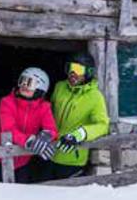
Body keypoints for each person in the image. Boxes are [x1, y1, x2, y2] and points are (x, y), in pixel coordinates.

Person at [41, 53, 110, 181]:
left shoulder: (95, 96)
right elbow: (47, 113)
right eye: (71, 68)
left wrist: (80, 134)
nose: (73, 73)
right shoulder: (60, 87)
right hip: (49, 152)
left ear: (88, 72)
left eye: (78, 69)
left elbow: (102, 125)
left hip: (72, 158)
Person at [0, 67, 58, 183]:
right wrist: (30, 141)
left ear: (40, 88)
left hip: (24, 160)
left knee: (22, 191)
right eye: (22, 80)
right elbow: (8, 129)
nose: (24, 85)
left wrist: (45, 137)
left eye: (30, 83)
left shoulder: (44, 107)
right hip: (1, 158)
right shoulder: (7, 102)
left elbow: (51, 129)